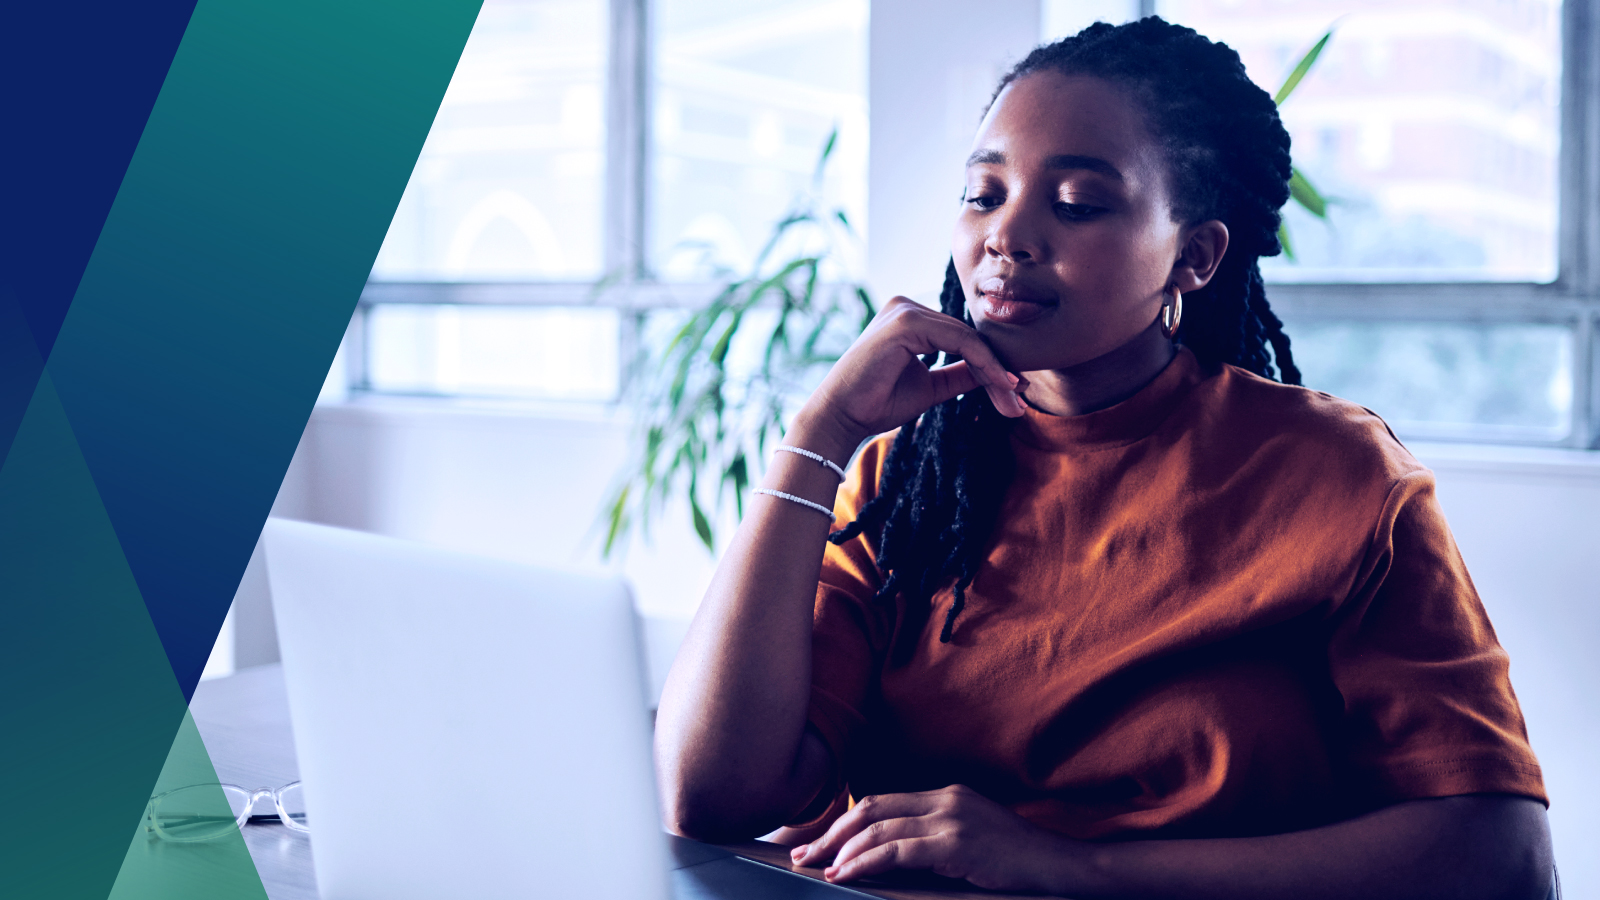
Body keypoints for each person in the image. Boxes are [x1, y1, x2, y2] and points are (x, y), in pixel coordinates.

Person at [653, 17, 1553, 900]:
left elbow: (1502, 857)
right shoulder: (909, 481)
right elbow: (712, 798)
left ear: (1193, 257)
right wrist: (819, 434)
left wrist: (1063, 866)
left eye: (1077, 204)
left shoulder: (1336, 475)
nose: (1007, 236)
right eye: (983, 194)